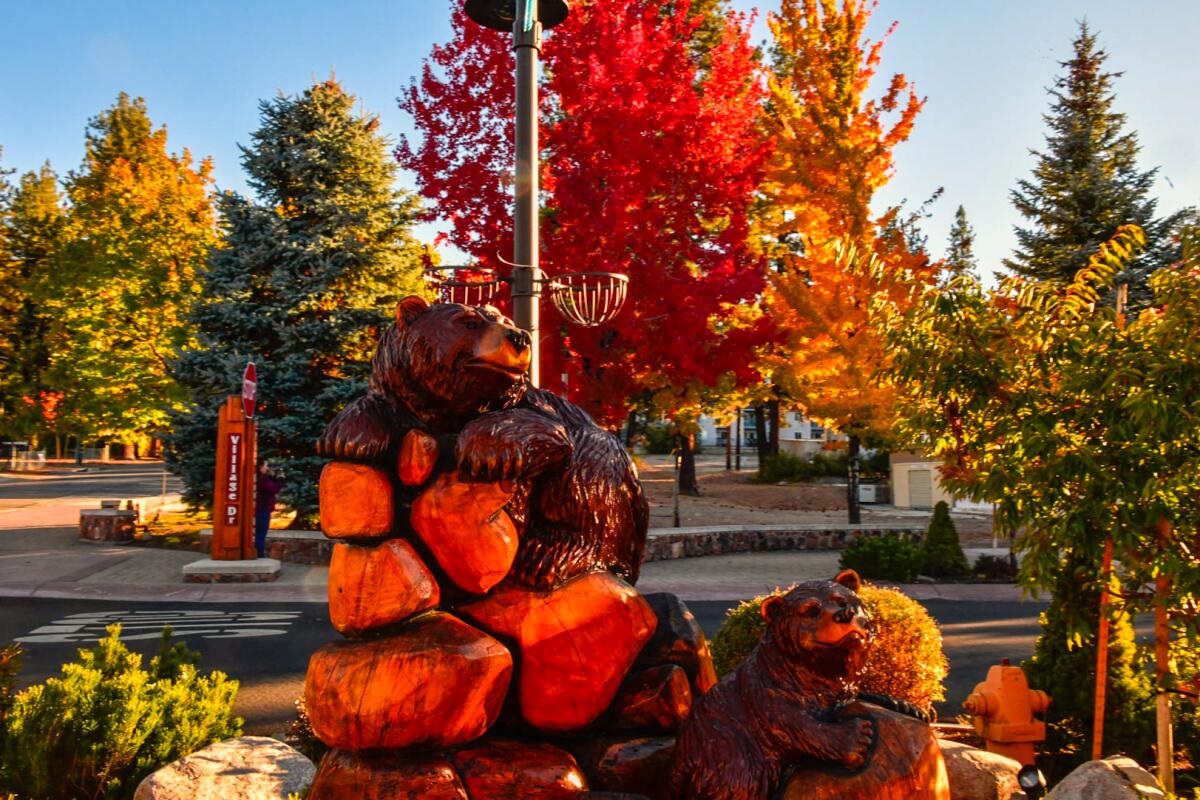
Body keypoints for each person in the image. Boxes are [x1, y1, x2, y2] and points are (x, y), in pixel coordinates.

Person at [255, 462, 284, 559]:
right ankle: (260, 556)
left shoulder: (260, 478)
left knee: (259, 534)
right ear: (260, 467)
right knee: (260, 534)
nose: (267, 468)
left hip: (261, 509)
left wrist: (272, 476)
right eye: (265, 466)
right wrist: (281, 479)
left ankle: (259, 554)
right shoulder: (262, 479)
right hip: (262, 510)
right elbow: (274, 488)